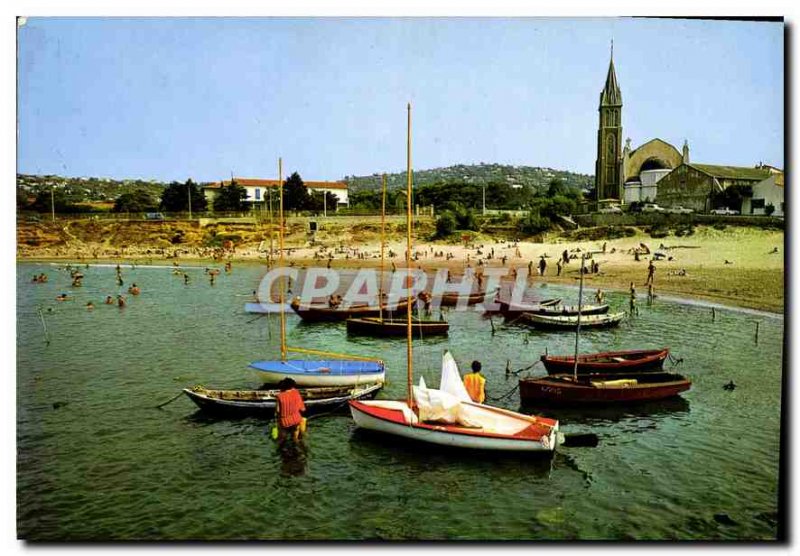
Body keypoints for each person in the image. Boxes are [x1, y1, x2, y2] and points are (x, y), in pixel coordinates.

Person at [275, 378, 306, 443]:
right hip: (296, 419)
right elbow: (302, 409)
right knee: (295, 439)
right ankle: (298, 448)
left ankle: (282, 450)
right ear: (292, 386)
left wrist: (278, 421)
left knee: (282, 440)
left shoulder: (279, 396)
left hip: (285, 422)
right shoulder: (296, 393)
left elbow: (278, 411)